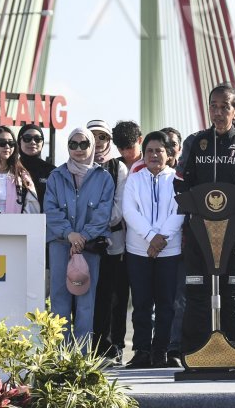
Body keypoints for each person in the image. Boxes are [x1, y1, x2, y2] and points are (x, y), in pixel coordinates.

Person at [174, 83, 235, 356]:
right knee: (197, 292)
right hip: (199, 232)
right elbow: (180, 184)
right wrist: (193, 206)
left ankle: (233, 350)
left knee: (234, 294)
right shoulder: (195, 142)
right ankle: (195, 352)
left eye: (224, 107)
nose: (218, 112)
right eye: (213, 106)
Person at [44, 127, 116, 346]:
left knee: (86, 301)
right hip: (59, 244)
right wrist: (70, 234)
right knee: (59, 300)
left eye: (83, 144)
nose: (78, 149)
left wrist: (82, 237)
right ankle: (59, 355)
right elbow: (50, 209)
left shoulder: (104, 178)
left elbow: (104, 214)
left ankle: (82, 356)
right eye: (73, 144)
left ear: (92, 146)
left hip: (89, 246)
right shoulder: (56, 175)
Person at [122, 131, 184, 368]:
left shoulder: (177, 180)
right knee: (141, 303)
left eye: (159, 150)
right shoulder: (135, 179)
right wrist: (150, 237)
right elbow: (129, 211)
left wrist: (161, 239)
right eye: (149, 150)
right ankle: (141, 351)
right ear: (143, 154)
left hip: (169, 251)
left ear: (169, 155)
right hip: (139, 251)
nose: (154, 155)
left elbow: (180, 211)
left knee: (167, 303)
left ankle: (162, 351)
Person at [92, 119, 140, 363]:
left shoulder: (118, 168)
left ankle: (114, 348)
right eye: (93, 137)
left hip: (114, 243)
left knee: (115, 296)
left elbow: (119, 208)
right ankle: (89, 346)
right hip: (84, 244)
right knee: (91, 296)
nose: (98, 142)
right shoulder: (75, 164)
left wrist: (92, 225)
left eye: (102, 137)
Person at [159, 125, 186, 365]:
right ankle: (156, 348)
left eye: (172, 145)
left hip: (186, 245)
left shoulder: (188, 170)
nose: (168, 150)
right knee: (160, 300)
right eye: (163, 145)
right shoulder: (145, 172)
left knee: (181, 300)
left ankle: (175, 348)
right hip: (157, 247)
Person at [18, 123, 55, 206]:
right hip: (15, 218)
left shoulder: (52, 172)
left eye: (37, 139)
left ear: (42, 143)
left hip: (46, 218)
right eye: (27, 138)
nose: (33, 142)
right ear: (19, 141)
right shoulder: (11, 169)